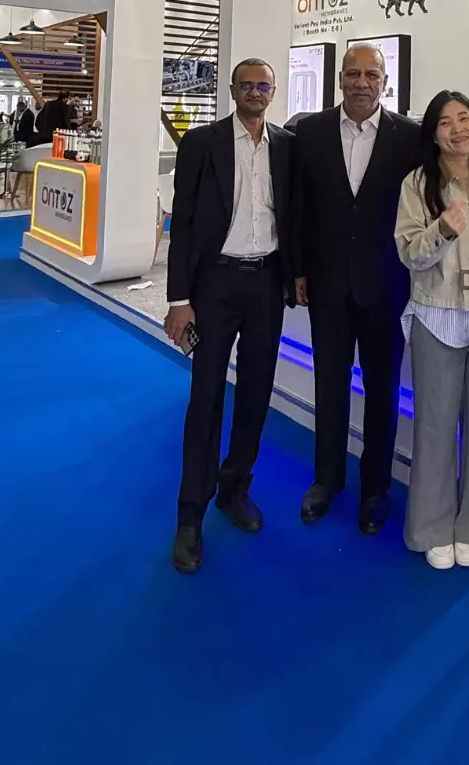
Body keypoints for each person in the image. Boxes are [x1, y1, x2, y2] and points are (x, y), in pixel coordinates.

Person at [162, 59, 297, 574]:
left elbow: (295, 216)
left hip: (266, 282)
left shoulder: (286, 145)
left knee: (257, 392)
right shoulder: (202, 143)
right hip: (214, 285)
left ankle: (234, 488)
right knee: (206, 398)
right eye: (247, 85)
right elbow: (183, 222)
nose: (255, 92)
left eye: (264, 85)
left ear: (273, 91)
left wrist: (297, 275)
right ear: (233, 90)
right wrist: (179, 298)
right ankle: (190, 514)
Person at [294, 45, 420, 534]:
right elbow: (300, 206)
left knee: (383, 391)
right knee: (329, 384)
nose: (361, 82)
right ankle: (326, 480)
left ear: (385, 81)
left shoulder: (410, 137)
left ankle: (375, 490)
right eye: (353, 74)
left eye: (371, 74)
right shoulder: (310, 132)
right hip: (326, 283)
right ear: (340, 79)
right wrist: (298, 270)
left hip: (386, 285)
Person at [394, 90, 469, 570]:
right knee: (435, 427)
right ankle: (432, 526)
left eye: (465, 118)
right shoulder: (418, 184)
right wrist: (442, 229)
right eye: (445, 122)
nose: (458, 129)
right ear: (433, 134)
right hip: (436, 315)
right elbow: (409, 253)